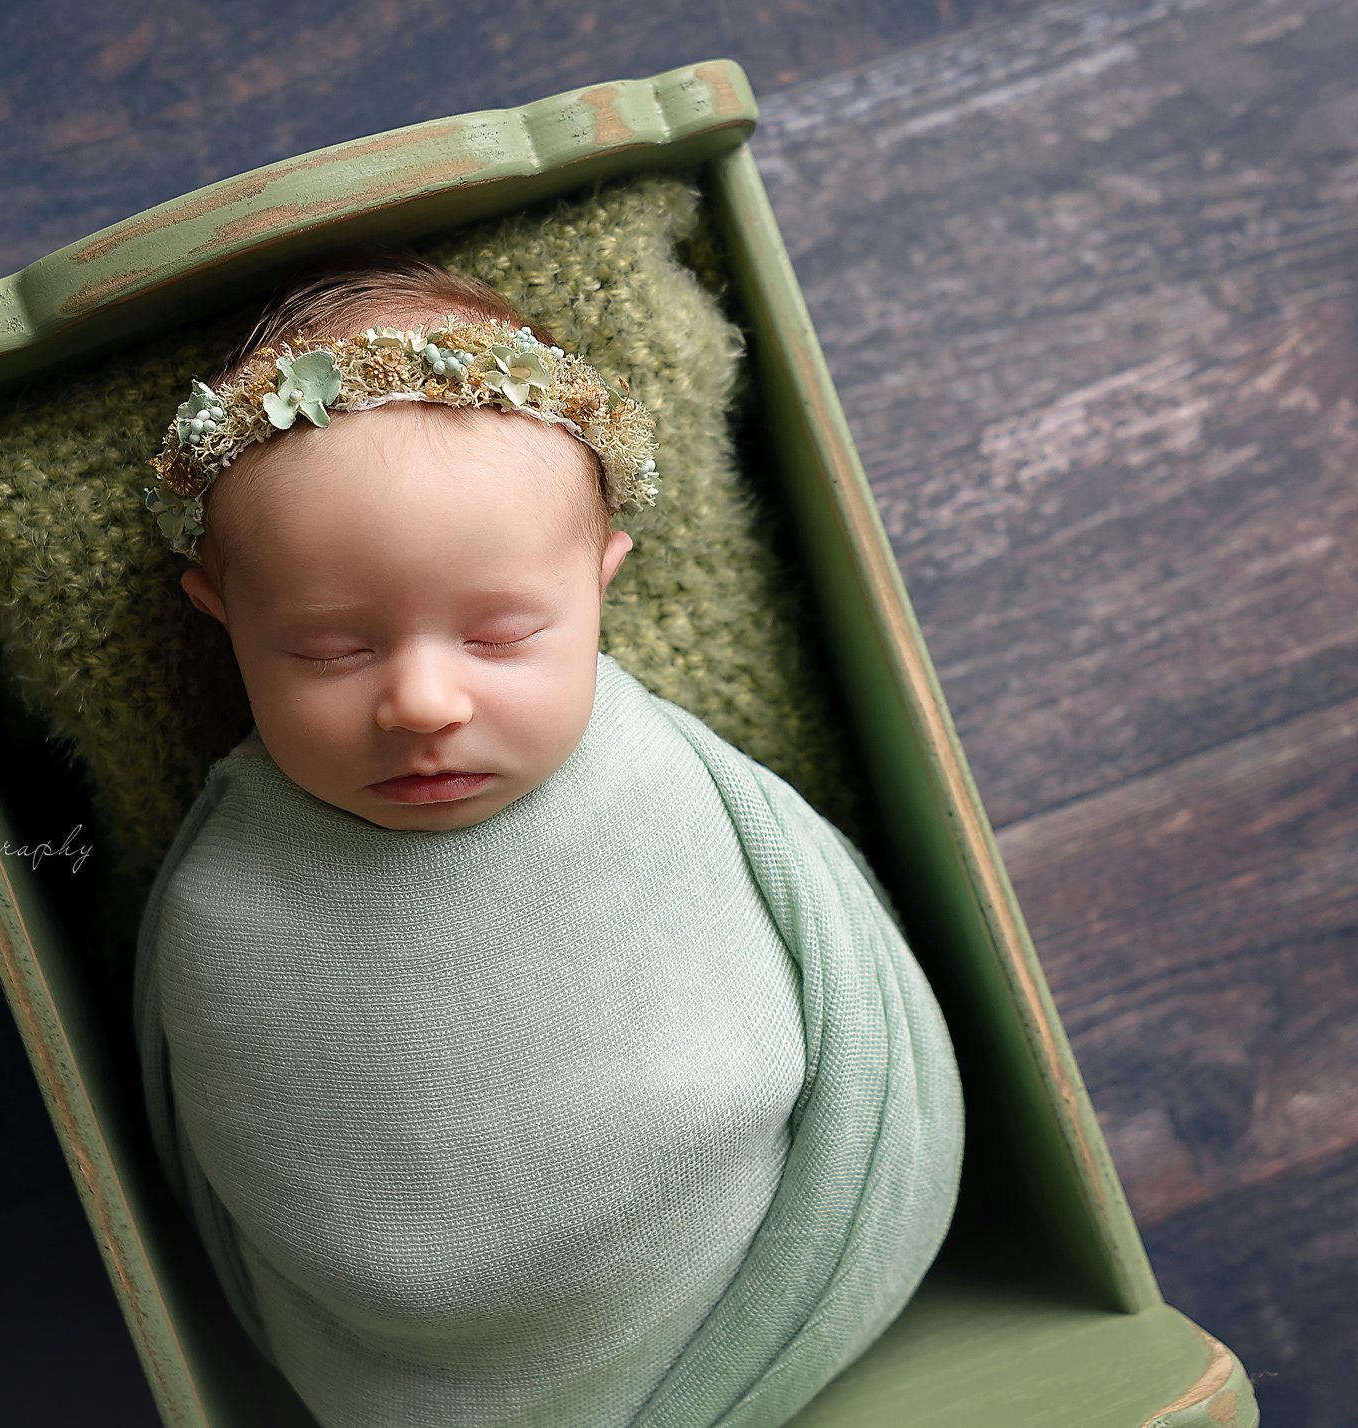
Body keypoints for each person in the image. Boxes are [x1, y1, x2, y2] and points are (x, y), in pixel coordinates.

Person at [133, 251, 965, 1428]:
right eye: (327, 650)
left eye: (500, 636)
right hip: (415, 1359)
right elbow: (249, 1141)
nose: (422, 703)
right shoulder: (227, 897)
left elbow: (836, 981)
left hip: (740, 1268)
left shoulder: (668, 788)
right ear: (223, 618)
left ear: (598, 582)